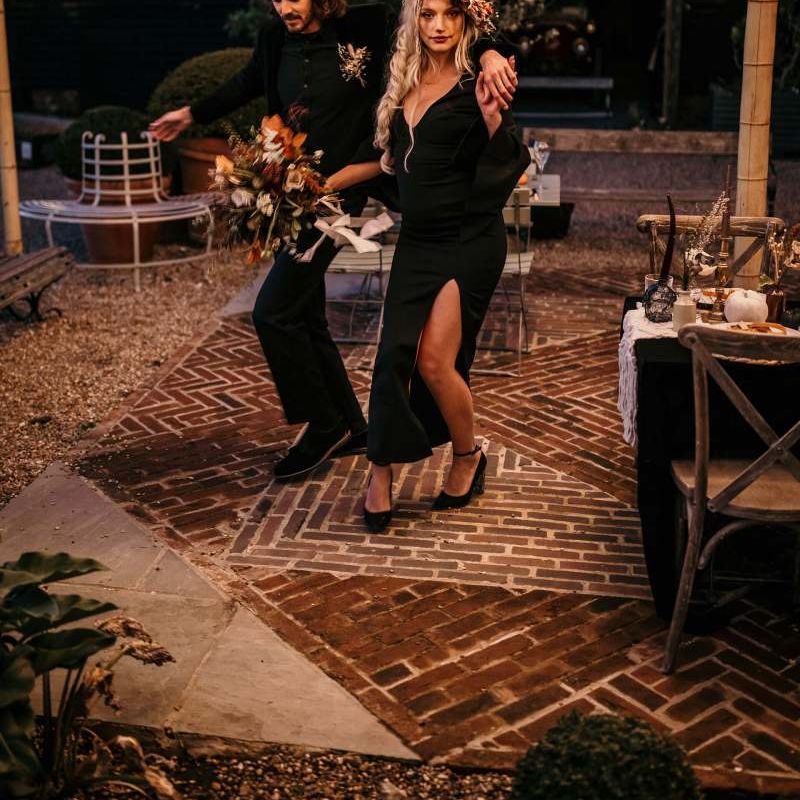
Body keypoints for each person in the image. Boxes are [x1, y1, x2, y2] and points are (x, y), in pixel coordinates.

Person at [149, 0, 516, 481]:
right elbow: (246, 82)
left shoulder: (364, 24)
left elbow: (442, 20)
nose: (286, 6)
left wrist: (490, 52)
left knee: (274, 309)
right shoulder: (274, 39)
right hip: (297, 192)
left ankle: (326, 424)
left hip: (343, 193)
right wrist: (190, 113)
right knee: (301, 310)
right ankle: (348, 423)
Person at [329, 0, 530, 532]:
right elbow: (390, 166)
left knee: (435, 362)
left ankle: (467, 456)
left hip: (467, 238)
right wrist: (325, 184)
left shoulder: (478, 82)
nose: (439, 26)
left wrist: (493, 116)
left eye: (450, 14)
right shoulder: (402, 82)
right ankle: (380, 473)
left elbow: (513, 157)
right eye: (427, 14)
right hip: (418, 240)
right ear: (413, 20)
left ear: (467, 20)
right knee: (393, 352)